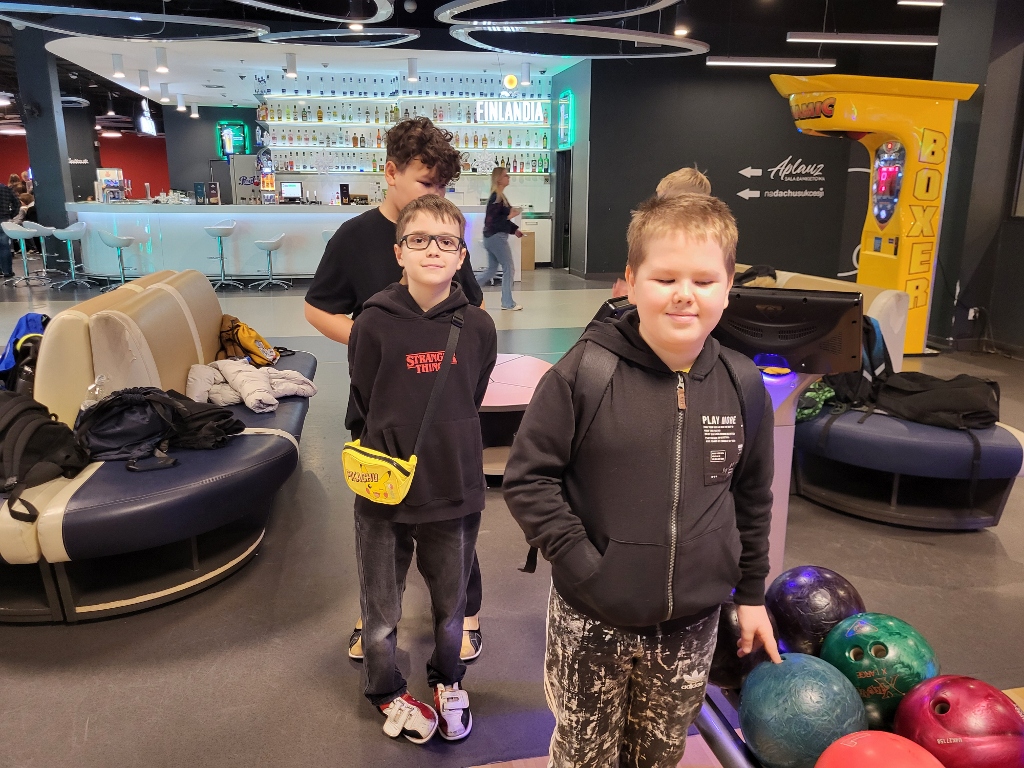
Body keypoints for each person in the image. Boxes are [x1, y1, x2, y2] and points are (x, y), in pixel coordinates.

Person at [503, 193, 781, 768]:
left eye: (704, 280)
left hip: (692, 625)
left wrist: (751, 593)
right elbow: (529, 480)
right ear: (631, 281)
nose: (685, 293)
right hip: (592, 620)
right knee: (583, 756)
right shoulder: (584, 373)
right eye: (665, 278)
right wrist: (587, 567)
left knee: (658, 754)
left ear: (729, 286)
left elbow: (752, 496)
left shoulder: (742, 384)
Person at [304, 116, 488, 663]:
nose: (437, 196)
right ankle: (375, 611)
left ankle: (466, 611)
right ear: (391, 172)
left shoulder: (445, 236)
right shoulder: (354, 236)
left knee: (454, 512)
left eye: (444, 187)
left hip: (441, 409)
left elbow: (473, 308)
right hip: (381, 408)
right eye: (426, 182)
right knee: (380, 521)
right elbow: (316, 307)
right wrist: (379, 343)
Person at [347, 194, 497, 744]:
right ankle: (384, 687)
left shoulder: (478, 326)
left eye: (446, 241)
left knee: (450, 607)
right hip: (383, 491)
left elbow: (472, 393)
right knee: (380, 611)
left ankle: (447, 677)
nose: (433, 250)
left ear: (461, 256)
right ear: (399, 252)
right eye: (419, 239)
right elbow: (365, 397)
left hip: (454, 488)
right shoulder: (372, 322)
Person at [612, 166, 712, 298]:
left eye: (667, 204)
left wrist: (636, 292)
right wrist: (635, 287)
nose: (660, 208)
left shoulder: (705, 240)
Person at [476, 166, 524, 311]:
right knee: (509, 268)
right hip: (496, 238)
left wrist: (514, 230)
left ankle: (467, 289)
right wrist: (510, 216)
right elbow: (493, 221)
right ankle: (507, 303)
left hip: (491, 238)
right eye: (505, 175)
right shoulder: (496, 198)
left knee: (491, 270)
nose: (508, 177)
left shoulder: (499, 197)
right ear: (499, 179)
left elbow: (498, 220)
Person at [0, 178, 20, 278]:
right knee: (4, 247)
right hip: (4, 220)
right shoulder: (6, 188)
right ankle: (7, 271)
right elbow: (17, 203)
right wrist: (11, 215)